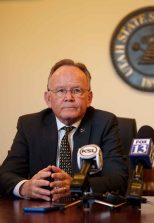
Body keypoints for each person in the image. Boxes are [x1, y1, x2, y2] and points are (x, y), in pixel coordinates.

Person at [0, 59, 128, 201]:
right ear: (48, 98)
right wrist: (25, 187)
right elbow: (5, 175)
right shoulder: (30, 125)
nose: (69, 98)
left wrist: (79, 186)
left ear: (89, 98)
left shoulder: (104, 123)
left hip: (88, 214)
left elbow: (119, 179)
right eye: (61, 91)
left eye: (77, 90)